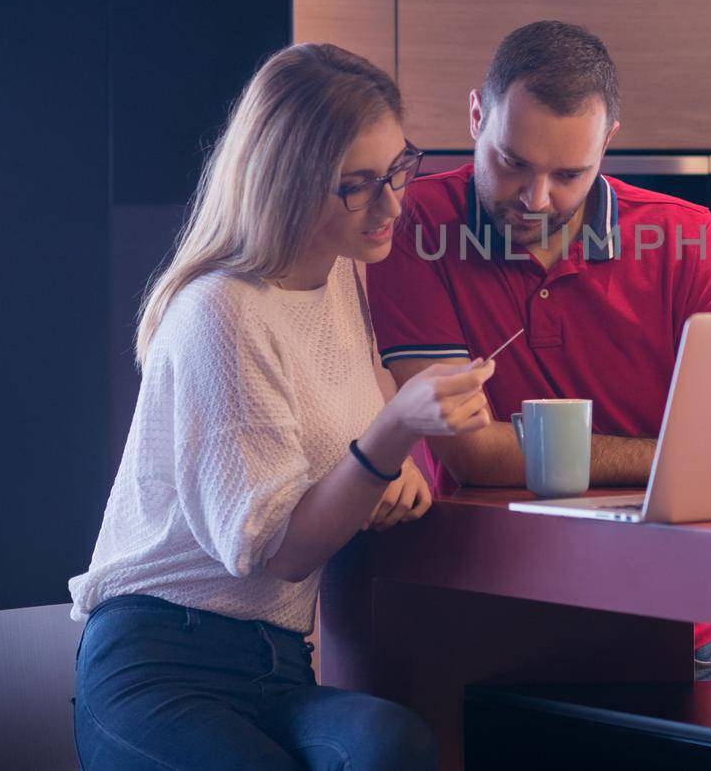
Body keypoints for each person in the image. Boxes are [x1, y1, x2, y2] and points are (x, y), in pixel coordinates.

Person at [68, 43, 495, 769]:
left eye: (397, 169)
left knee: (398, 746)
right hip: (158, 665)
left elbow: (335, 443)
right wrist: (390, 439)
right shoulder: (221, 313)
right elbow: (285, 551)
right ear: (286, 183)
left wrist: (398, 462)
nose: (392, 202)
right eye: (357, 185)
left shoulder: (339, 281)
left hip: (281, 667)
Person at [364, 21, 711, 682]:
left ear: (609, 145)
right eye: (513, 162)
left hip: (675, 618)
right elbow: (472, 452)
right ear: (477, 115)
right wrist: (668, 461)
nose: (537, 200)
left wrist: (694, 462)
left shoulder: (688, 237)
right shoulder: (413, 226)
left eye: (570, 174)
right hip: (496, 613)